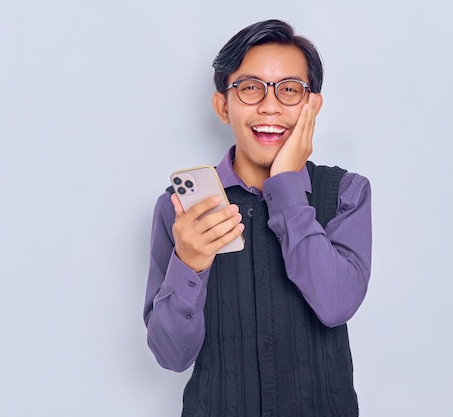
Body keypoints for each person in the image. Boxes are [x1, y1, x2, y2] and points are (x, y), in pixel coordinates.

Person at [143, 19, 372, 417]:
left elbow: (336, 305)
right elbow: (171, 355)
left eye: (289, 89)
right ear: (222, 105)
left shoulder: (347, 193)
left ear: (311, 105)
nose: (270, 105)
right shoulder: (181, 210)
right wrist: (189, 264)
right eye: (249, 88)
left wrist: (285, 185)